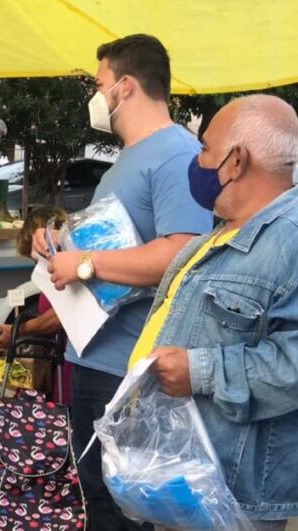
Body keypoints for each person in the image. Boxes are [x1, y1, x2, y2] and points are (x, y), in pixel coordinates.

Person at [33, 34, 213, 530]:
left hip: (129, 369)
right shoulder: (127, 159)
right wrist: (57, 245)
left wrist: (85, 263)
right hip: (92, 356)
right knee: (96, 498)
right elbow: (115, 243)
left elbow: (181, 252)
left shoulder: (178, 155)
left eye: (99, 83)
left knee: (123, 509)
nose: (96, 95)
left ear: (126, 86)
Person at [134, 94, 298, 531]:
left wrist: (200, 371)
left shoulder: (291, 241)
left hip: (232, 500)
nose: (198, 159)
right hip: (183, 480)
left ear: (237, 161)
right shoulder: (224, 230)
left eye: (206, 148)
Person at [0, 206, 71, 402]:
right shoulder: (55, 272)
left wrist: (19, 331)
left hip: (69, 369)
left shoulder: (70, 271)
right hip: (58, 366)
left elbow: (60, 316)